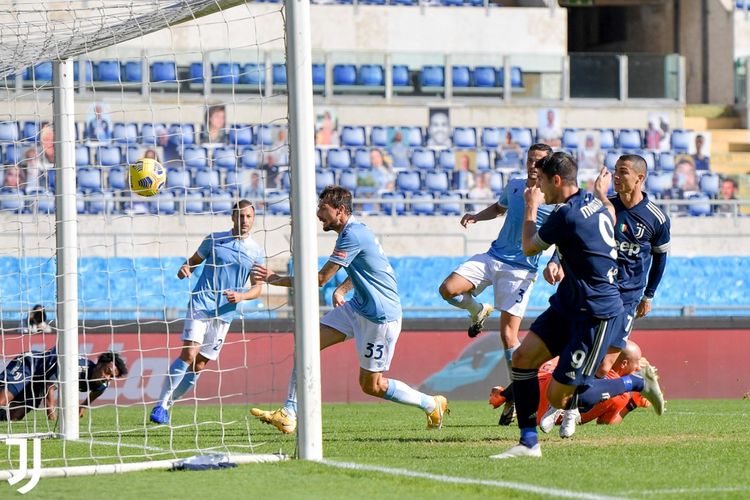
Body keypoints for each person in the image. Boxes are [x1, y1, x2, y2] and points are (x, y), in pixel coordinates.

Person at [490, 153, 664, 459]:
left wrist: (531, 206)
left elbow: (529, 245)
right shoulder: (593, 202)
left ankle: (636, 382)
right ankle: (528, 443)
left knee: (565, 396)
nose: (539, 188)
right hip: (567, 304)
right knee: (522, 358)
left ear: (556, 181)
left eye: (542, 182)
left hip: (594, 312)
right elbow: (609, 212)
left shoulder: (567, 214)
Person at [250, 186, 448, 434]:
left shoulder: (353, 235)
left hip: (379, 316)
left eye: (323, 208)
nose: (317, 214)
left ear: (340, 210)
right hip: (358, 306)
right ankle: (289, 413)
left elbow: (321, 279)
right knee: (306, 343)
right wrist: (342, 289)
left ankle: (431, 403)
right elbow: (367, 269)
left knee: (371, 386)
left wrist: (276, 279)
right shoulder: (354, 232)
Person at [438, 144, 553, 426]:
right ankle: (477, 311)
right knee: (448, 288)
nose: (532, 165)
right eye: (529, 160)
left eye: (538, 162)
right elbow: (499, 207)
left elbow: (564, 235)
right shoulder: (514, 186)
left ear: (548, 166)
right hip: (493, 256)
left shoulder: (552, 201)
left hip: (521, 270)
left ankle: (516, 393)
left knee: (508, 336)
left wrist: (556, 261)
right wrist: (477, 216)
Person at [150, 200, 264, 424]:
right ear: (232, 217)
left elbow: (257, 289)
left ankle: (169, 402)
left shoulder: (256, 251)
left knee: (200, 364)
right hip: (202, 302)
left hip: (225, 312)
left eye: (248, 217)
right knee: (189, 354)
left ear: (253, 219)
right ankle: (160, 405)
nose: (244, 221)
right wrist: (186, 269)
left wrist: (241, 296)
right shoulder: (214, 239)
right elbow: (192, 262)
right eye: (240, 216)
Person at [490, 341, 651, 428]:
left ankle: (504, 396)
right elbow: (606, 423)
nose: (638, 368)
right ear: (623, 364)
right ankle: (513, 400)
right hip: (546, 419)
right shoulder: (621, 395)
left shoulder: (589, 361)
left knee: (541, 371)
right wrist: (632, 404)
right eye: (637, 363)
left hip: (543, 392)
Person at [0, 347, 127, 421]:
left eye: (112, 377)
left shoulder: (102, 385)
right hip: (31, 364)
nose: (107, 378)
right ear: (99, 364)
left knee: (15, 416)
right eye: (107, 372)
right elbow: (50, 384)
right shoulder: (77, 368)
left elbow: (93, 395)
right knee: (2, 400)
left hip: (40, 380)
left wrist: (82, 407)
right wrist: (51, 413)